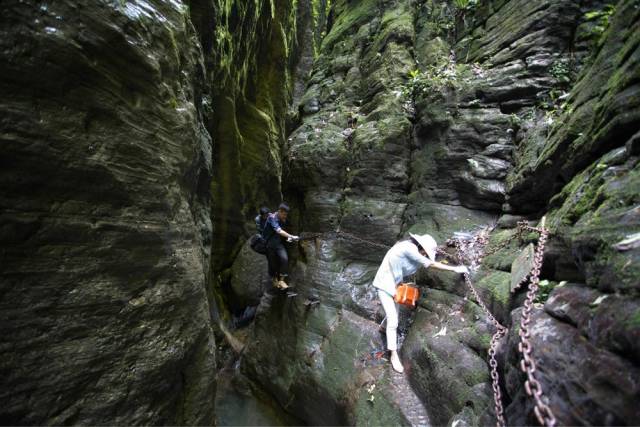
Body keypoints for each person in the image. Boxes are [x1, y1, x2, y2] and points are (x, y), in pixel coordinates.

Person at [372, 233, 468, 373]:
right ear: (420, 247)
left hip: (395, 285)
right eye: (425, 252)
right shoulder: (409, 249)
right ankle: (393, 354)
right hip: (384, 284)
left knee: (395, 312)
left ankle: (383, 328)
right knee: (394, 319)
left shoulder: (412, 250)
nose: (425, 254)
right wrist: (454, 269)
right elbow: (429, 264)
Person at [262, 203, 299, 290]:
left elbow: (283, 231)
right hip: (269, 245)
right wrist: (291, 236)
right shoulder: (272, 218)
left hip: (278, 244)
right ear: (279, 211)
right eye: (284, 214)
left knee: (284, 258)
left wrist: (288, 239)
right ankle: (274, 280)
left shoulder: (283, 219)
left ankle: (282, 280)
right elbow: (279, 230)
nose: (285, 216)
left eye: (286, 214)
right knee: (272, 264)